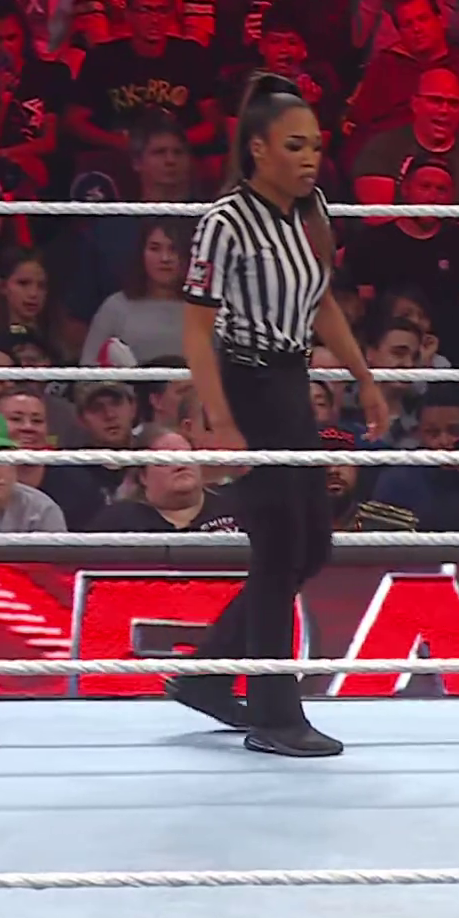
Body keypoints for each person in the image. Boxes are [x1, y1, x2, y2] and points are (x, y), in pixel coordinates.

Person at [178, 72, 390, 758]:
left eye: (316, 146)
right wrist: (220, 419)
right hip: (246, 378)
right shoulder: (224, 222)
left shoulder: (310, 211)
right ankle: (274, 715)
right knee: (276, 549)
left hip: (291, 379)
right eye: (294, 146)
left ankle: (209, 672)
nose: (309, 159)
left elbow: (321, 301)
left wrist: (365, 378)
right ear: (258, 148)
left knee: (311, 546)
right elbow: (196, 332)